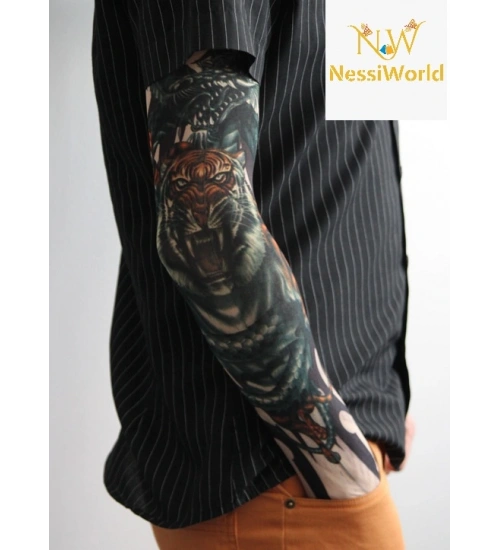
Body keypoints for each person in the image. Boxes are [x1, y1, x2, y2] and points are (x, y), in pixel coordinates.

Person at [92, 1, 413, 548]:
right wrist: (337, 455)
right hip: (279, 465)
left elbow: (353, 136)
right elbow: (206, 229)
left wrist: (383, 393)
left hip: (331, 441)